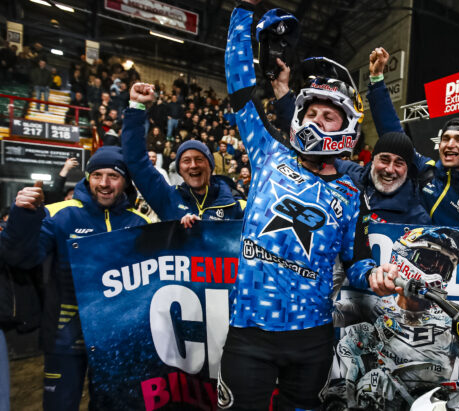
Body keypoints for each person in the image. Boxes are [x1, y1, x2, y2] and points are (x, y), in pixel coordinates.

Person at [219, 5, 397, 409]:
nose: (317, 120)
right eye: (311, 112)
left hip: (312, 339)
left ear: (346, 126)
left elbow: (356, 261)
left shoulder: (351, 194)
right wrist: (242, 13)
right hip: (249, 333)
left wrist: (375, 276)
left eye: (328, 116)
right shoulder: (268, 153)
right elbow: (239, 87)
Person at [0, 147, 151, 410]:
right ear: (88, 178)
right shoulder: (59, 213)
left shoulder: (140, 223)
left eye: (113, 176)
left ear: (126, 182)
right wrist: (22, 216)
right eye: (97, 175)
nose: (104, 183)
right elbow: (21, 258)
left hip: (116, 342)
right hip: (65, 337)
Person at [332, 227, 459, 408]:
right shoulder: (371, 308)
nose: (437, 274)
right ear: (402, 258)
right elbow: (316, 317)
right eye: (428, 261)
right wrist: (340, 269)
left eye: (444, 268)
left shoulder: (453, 321)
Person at [362, 48, 459, 226]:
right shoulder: (426, 170)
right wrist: (376, 80)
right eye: (445, 138)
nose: (450, 144)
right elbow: (392, 133)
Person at [122, 83, 247, 222]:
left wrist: (207, 228)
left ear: (210, 166)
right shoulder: (168, 199)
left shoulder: (237, 206)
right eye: (186, 161)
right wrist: (136, 107)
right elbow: (136, 161)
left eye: (199, 159)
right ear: (180, 170)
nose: (193, 165)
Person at [334, 131, 431, 225]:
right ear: (373, 160)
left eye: (399, 163)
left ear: (407, 170)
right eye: (384, 160)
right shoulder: (349, 176)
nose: (390, 170)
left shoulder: (417, 219)